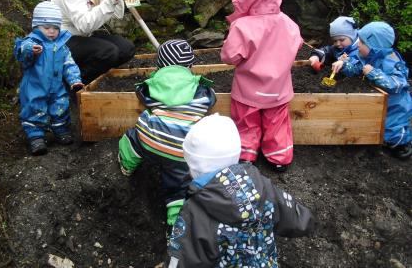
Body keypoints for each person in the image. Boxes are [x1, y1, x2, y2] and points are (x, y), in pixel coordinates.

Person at [167, 113, 315, 267]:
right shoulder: (262, 187)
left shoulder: (195, 213)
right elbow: (294, 215)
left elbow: (184, 257)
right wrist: (308, 220)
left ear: (195, 166)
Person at [118, 39, 216, 227]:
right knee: (179, 185)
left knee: (135, 136)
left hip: (152, 140)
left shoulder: (153, 83)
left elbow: (141, 94)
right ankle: (176, 225)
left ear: (160, 64)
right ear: (190, 66)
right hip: (184, 148)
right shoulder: (200, 88)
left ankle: (127, 163)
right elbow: (211, 100)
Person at [220, 0, 303, 172]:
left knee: (246, 122)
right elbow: (297, 44)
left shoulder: (243, 26)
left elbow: (229, 57)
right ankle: (279, 157)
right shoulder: (288, 23)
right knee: (277, 124)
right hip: (278, 89)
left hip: (248, 90)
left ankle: (246, 154)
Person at [52, 0, 135, 84]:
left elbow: (117, 16)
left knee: (126, 48)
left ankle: (97, 77)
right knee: (108, 52)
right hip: (62, 41)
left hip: (84, 36)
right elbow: (85, 25)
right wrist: (109, 1)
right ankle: (74, 83)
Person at [332, 21, 412, 160]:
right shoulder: (366, 55)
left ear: (375, 46)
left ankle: (402, 145)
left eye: (362, 42)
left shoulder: (391, 61)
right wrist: (344, 64)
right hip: (376, 102)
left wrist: (373, 73)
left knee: (392, 128)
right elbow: (356, 68)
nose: (358, 44)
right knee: (372, 123)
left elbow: (398, 84)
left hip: (395, 106)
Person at [14, 1, 84, 155]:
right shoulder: (31, 42)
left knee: (60, 106)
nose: (51, 31)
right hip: (35, 87)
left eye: (56, 28)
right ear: (36, 27)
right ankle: (36, 137)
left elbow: (69, 64)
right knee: (34, 109)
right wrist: (30, 51)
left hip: (56, 86)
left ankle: (61, 130)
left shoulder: (62, 46)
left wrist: (74, 80)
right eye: (46, 28)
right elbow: (21, 53)